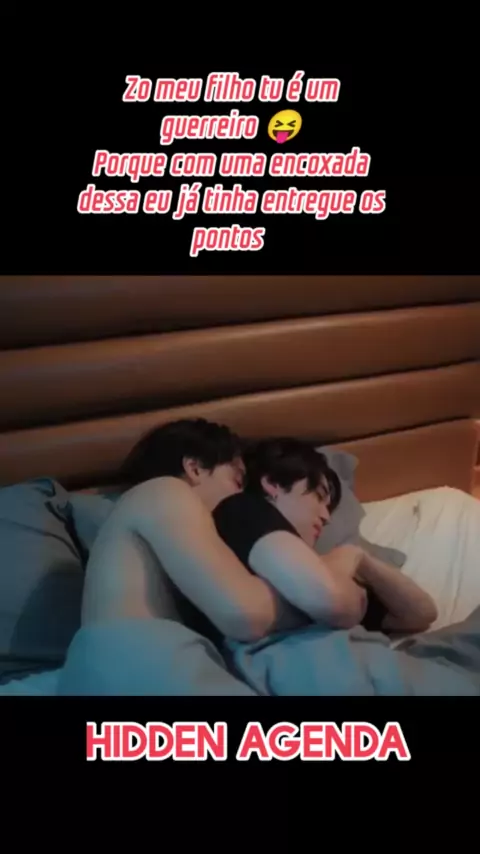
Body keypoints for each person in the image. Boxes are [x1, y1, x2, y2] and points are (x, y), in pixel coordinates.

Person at [81, 419, 368, 642]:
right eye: (237, 481)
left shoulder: (172, 526)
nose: (241, 497)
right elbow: (245, 614)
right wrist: (323, 583)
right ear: (194, 468)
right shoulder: (164, 491)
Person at [213, 437, 438, 636]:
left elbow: (422, 614)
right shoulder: (241, 510)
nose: (326, 516)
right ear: (273, 484)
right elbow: (331, 601)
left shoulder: (327, 566)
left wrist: (362, 558)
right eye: (318, 497)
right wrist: (346, 558)